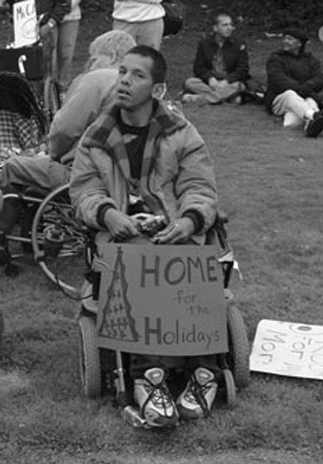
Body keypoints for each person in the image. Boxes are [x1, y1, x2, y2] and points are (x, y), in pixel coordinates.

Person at [70, 45, 220, 427]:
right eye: (123, 72)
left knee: (187, 259)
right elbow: (84, 192)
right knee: (141, 260)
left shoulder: (182, 134)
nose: (124, 81)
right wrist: (108, 214)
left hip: (172, 227)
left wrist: (188, 221)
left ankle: (203, 372)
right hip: (120, 233)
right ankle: (148, 377)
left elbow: (200, 189)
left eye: (137, 75)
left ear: (157, 90)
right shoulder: (96, 137)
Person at [0, 30, 137, 273]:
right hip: (124, 180)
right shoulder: (140, 86)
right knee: (38, 171)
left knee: (14, 167)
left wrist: (53, 153)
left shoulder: (99, 79)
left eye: (94, 58)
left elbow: (63, 128)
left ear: (110, 56)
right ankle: (31, 234)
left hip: (83, 177)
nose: (90, 64)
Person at [264, 28, 323, 138]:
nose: (285, 41)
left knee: (292, 122)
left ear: (299, 43)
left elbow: (320, 78)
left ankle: (310, 125)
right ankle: (314, 115)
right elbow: (277, 79)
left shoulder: (310, 59)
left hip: (304, 98)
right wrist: (302, 88)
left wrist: (309, 85)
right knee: (290, 94)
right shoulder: (276, 57)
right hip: (279, 99)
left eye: (289, 39)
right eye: (285, 38)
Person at [0, 0, 72, 89]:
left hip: (44, 27)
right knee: (16, 63)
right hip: (20, 26)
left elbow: (64, 4)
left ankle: (45, 96)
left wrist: (50, 24)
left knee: (44, 67)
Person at [182, 13, 250, 105]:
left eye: (230, 25)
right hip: (210, 83)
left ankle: (201, 98)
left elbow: (243, 70)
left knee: (239, 86)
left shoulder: (239, 44)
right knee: (190, 82)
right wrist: (210, 79)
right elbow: (198, 68)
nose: (229, 28)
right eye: (225, 25)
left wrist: (227, 81)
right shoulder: (204, 44)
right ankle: (226, 98)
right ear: (215, 28)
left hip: (230, 82)